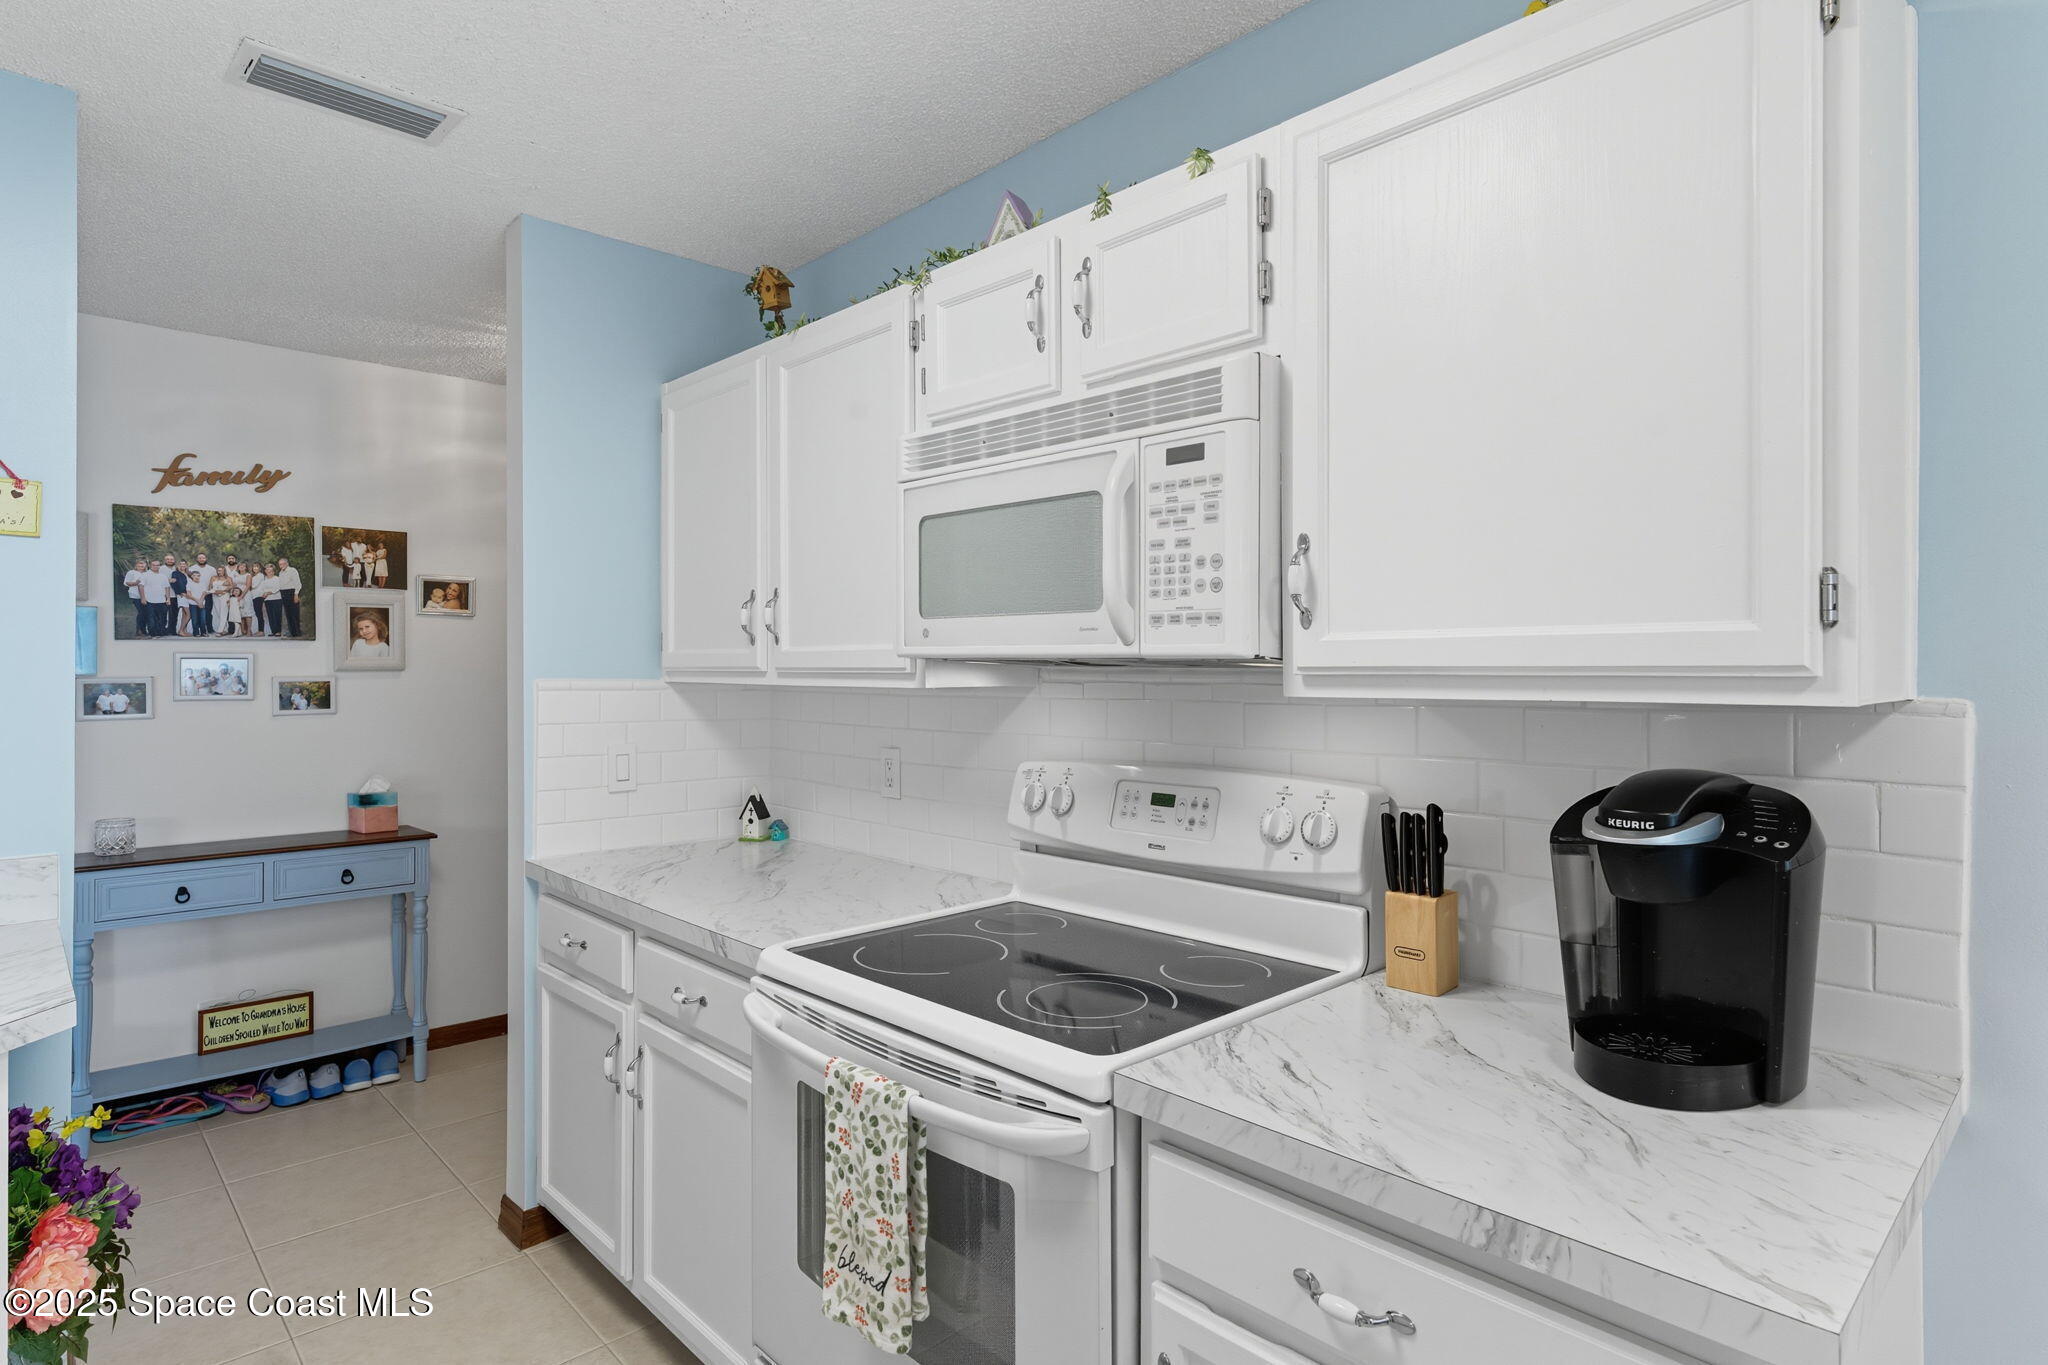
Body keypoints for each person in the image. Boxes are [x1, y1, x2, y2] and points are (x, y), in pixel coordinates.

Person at [187, 553, 216, 637]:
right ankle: (196, 631)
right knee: (195, 617)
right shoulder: (192, 568)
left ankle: (208, 629)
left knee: (207, 613)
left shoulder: (211, 569)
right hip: (194, 598)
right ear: (197, 559)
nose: (201, 559)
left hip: (206, 593)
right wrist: (197, 600)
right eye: (199, 558)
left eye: (203, 558)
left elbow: (213, 580)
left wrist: (210, 590)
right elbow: (189, 582)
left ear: (206, 559)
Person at [140, 558, 170, 636]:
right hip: (149, 600)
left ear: (159, 566)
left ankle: (160, 632)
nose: (156, 567)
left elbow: (167, 587)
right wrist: (143, 598)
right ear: (150, 566)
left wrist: (168, 598)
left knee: (162, 618)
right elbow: (141, 586)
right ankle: (153, 633)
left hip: (162, 600)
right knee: (151, 619)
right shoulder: (145, 575)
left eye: (157, 565)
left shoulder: (163, 576)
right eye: (154, 565)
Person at [275, 554, 303, 637]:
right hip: (283, 593)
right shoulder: (280, 573)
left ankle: (297, 632)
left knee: (294, 613)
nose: (281, 566)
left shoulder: (292, 570)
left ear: (287, 563)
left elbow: (298, 583)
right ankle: (292, 632)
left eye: (283, 564)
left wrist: (296, 595)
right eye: (280, 564)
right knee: (288, 613)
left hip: (292, 592)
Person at [262, 561, 286, 637]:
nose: (269, 572)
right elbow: (262, 589)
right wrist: (263, 594)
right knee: (270, 615)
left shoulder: (277, 578)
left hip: (276, 599)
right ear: (265, 571)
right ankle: (273, 631)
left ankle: (278, 631)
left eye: (271, 571)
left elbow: (277, 588)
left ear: (273, 571)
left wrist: (268, 592)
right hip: (267, 600)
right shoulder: (264, 580)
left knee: (277, 615)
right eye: (267, 570)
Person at [123, 558, 147, 637]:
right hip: (135, 595)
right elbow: (126, 583)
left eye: (143, 563)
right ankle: (139, 631)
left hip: (147, 596)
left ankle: (144, 631)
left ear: (146, 565)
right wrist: (135, 583)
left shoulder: (147, 573)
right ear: (136, 565)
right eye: (139, 564)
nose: (141, 565)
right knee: (141, 612)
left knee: (145, 613)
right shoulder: (131, 572)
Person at [168, 559, 190, 636]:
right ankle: (181, 630)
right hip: (182, 595)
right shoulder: (175, 573)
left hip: (188, 596)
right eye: (180, 564)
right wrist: (180, 592)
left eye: (184, 564)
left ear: (186, 565)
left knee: (184, 614)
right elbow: (173, 584)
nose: (182, 565)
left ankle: (183, 631)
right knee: (188, 614)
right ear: (178, 566)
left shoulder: (188, 574)